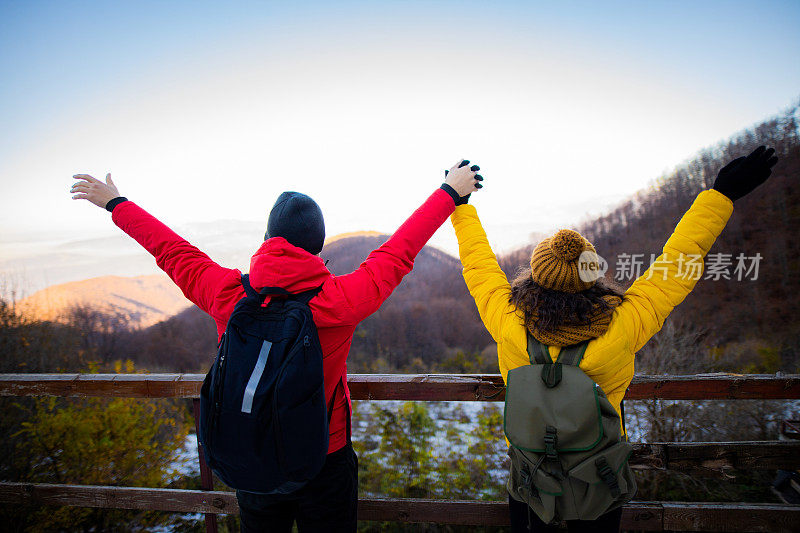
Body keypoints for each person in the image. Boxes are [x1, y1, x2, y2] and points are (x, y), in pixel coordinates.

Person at [70, 159, 483, 532]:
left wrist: (116, 203)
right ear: (319, 247)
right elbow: (399, 251)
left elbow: (172, 251)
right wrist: (449, 192)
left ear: (266, 238)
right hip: (325, 455)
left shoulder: (228, 294)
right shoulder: (339, 300)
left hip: (251, 454)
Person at [449, 146, 778, 532]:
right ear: (593, 273)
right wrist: (720, 196)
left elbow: (479, 264)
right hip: (598, 472)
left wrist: (461, 205)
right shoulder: (624, 322)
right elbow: (679, 263)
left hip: (530, 471)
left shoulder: (507, 319)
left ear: (536, 274)